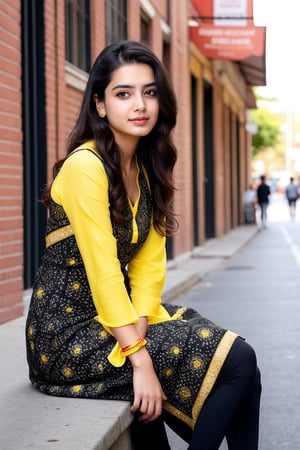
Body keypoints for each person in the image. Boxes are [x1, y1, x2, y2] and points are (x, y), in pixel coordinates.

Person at [25, 40, 261, 450]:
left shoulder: (146, 170)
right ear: (99, 104)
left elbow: (149, 269)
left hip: (116, 319)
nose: (141, 105)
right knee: (237, 362)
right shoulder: (86, 166)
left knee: (238, 359)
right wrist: (140, 357)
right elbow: (102, 272)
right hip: (67, 333)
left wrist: (141, 331)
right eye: (124, 93)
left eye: (149, 92)